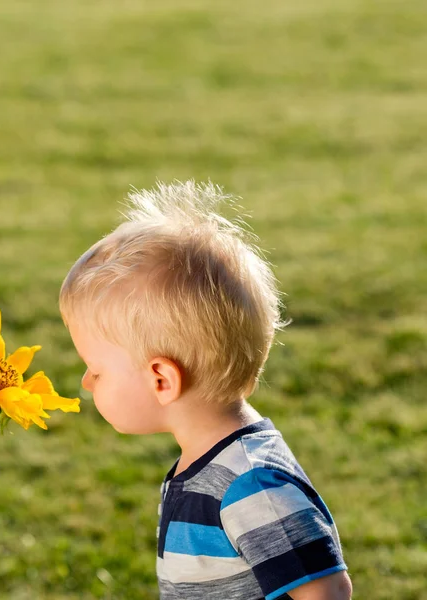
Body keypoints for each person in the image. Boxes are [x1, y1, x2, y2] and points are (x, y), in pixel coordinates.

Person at [59, 181, 352, 600]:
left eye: (96, 369)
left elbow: (326, 591)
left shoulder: (251, 485)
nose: (87, 381)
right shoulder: (211, 468)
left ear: (162, 379)